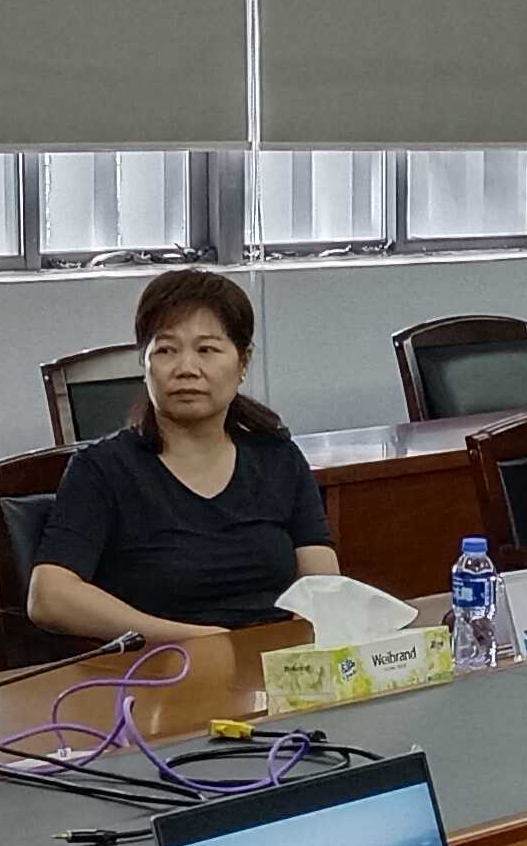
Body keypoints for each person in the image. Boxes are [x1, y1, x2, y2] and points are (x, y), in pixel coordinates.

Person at [25, 268, 339, 641]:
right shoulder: (102, 470)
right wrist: (191, 639)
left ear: (243, 362)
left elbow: (321, 579)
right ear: (144, 364)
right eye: (166, 350)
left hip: (272, 660)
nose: (186, 369)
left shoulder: (278, 457)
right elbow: (49, 596)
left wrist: (294, 647)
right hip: (164, 662)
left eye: (206, 350)